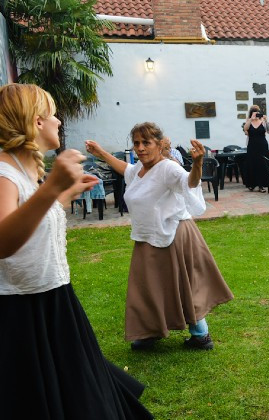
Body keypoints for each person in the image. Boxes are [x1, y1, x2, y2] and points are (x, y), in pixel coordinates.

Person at [0, 83, 153, 418]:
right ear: (36, 121)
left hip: (56, 299)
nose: (58, 122)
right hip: (25, 312)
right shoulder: (3, 173)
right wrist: (53, 187)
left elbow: (33, 221)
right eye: (53, 115)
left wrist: (62, 196)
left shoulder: (23, 170)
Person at [85, 123, 234, 351]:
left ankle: (200, 335)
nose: (141, 148)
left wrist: (198, 163)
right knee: (149, 287)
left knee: (183, 285)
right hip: (148, 236)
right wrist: (100, 153)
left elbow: (189, 183)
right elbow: (125, 168)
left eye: (146, 143)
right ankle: (149, 332)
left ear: (158, 144)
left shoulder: (168, 169)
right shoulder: (139, 170)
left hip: (173, 234)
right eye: (136, 143)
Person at [243, 105, 269, 192]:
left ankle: (261, 185)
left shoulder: (262, 121)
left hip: (262, 146)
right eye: (255, 113)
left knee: (262, 164)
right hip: (252, 146)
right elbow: (245, 129)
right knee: (252, 164)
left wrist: (266, 121)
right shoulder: (248, 121)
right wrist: (251, 119)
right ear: (251, 114)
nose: (256, 115)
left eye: (258, 113)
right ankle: (252, 184)